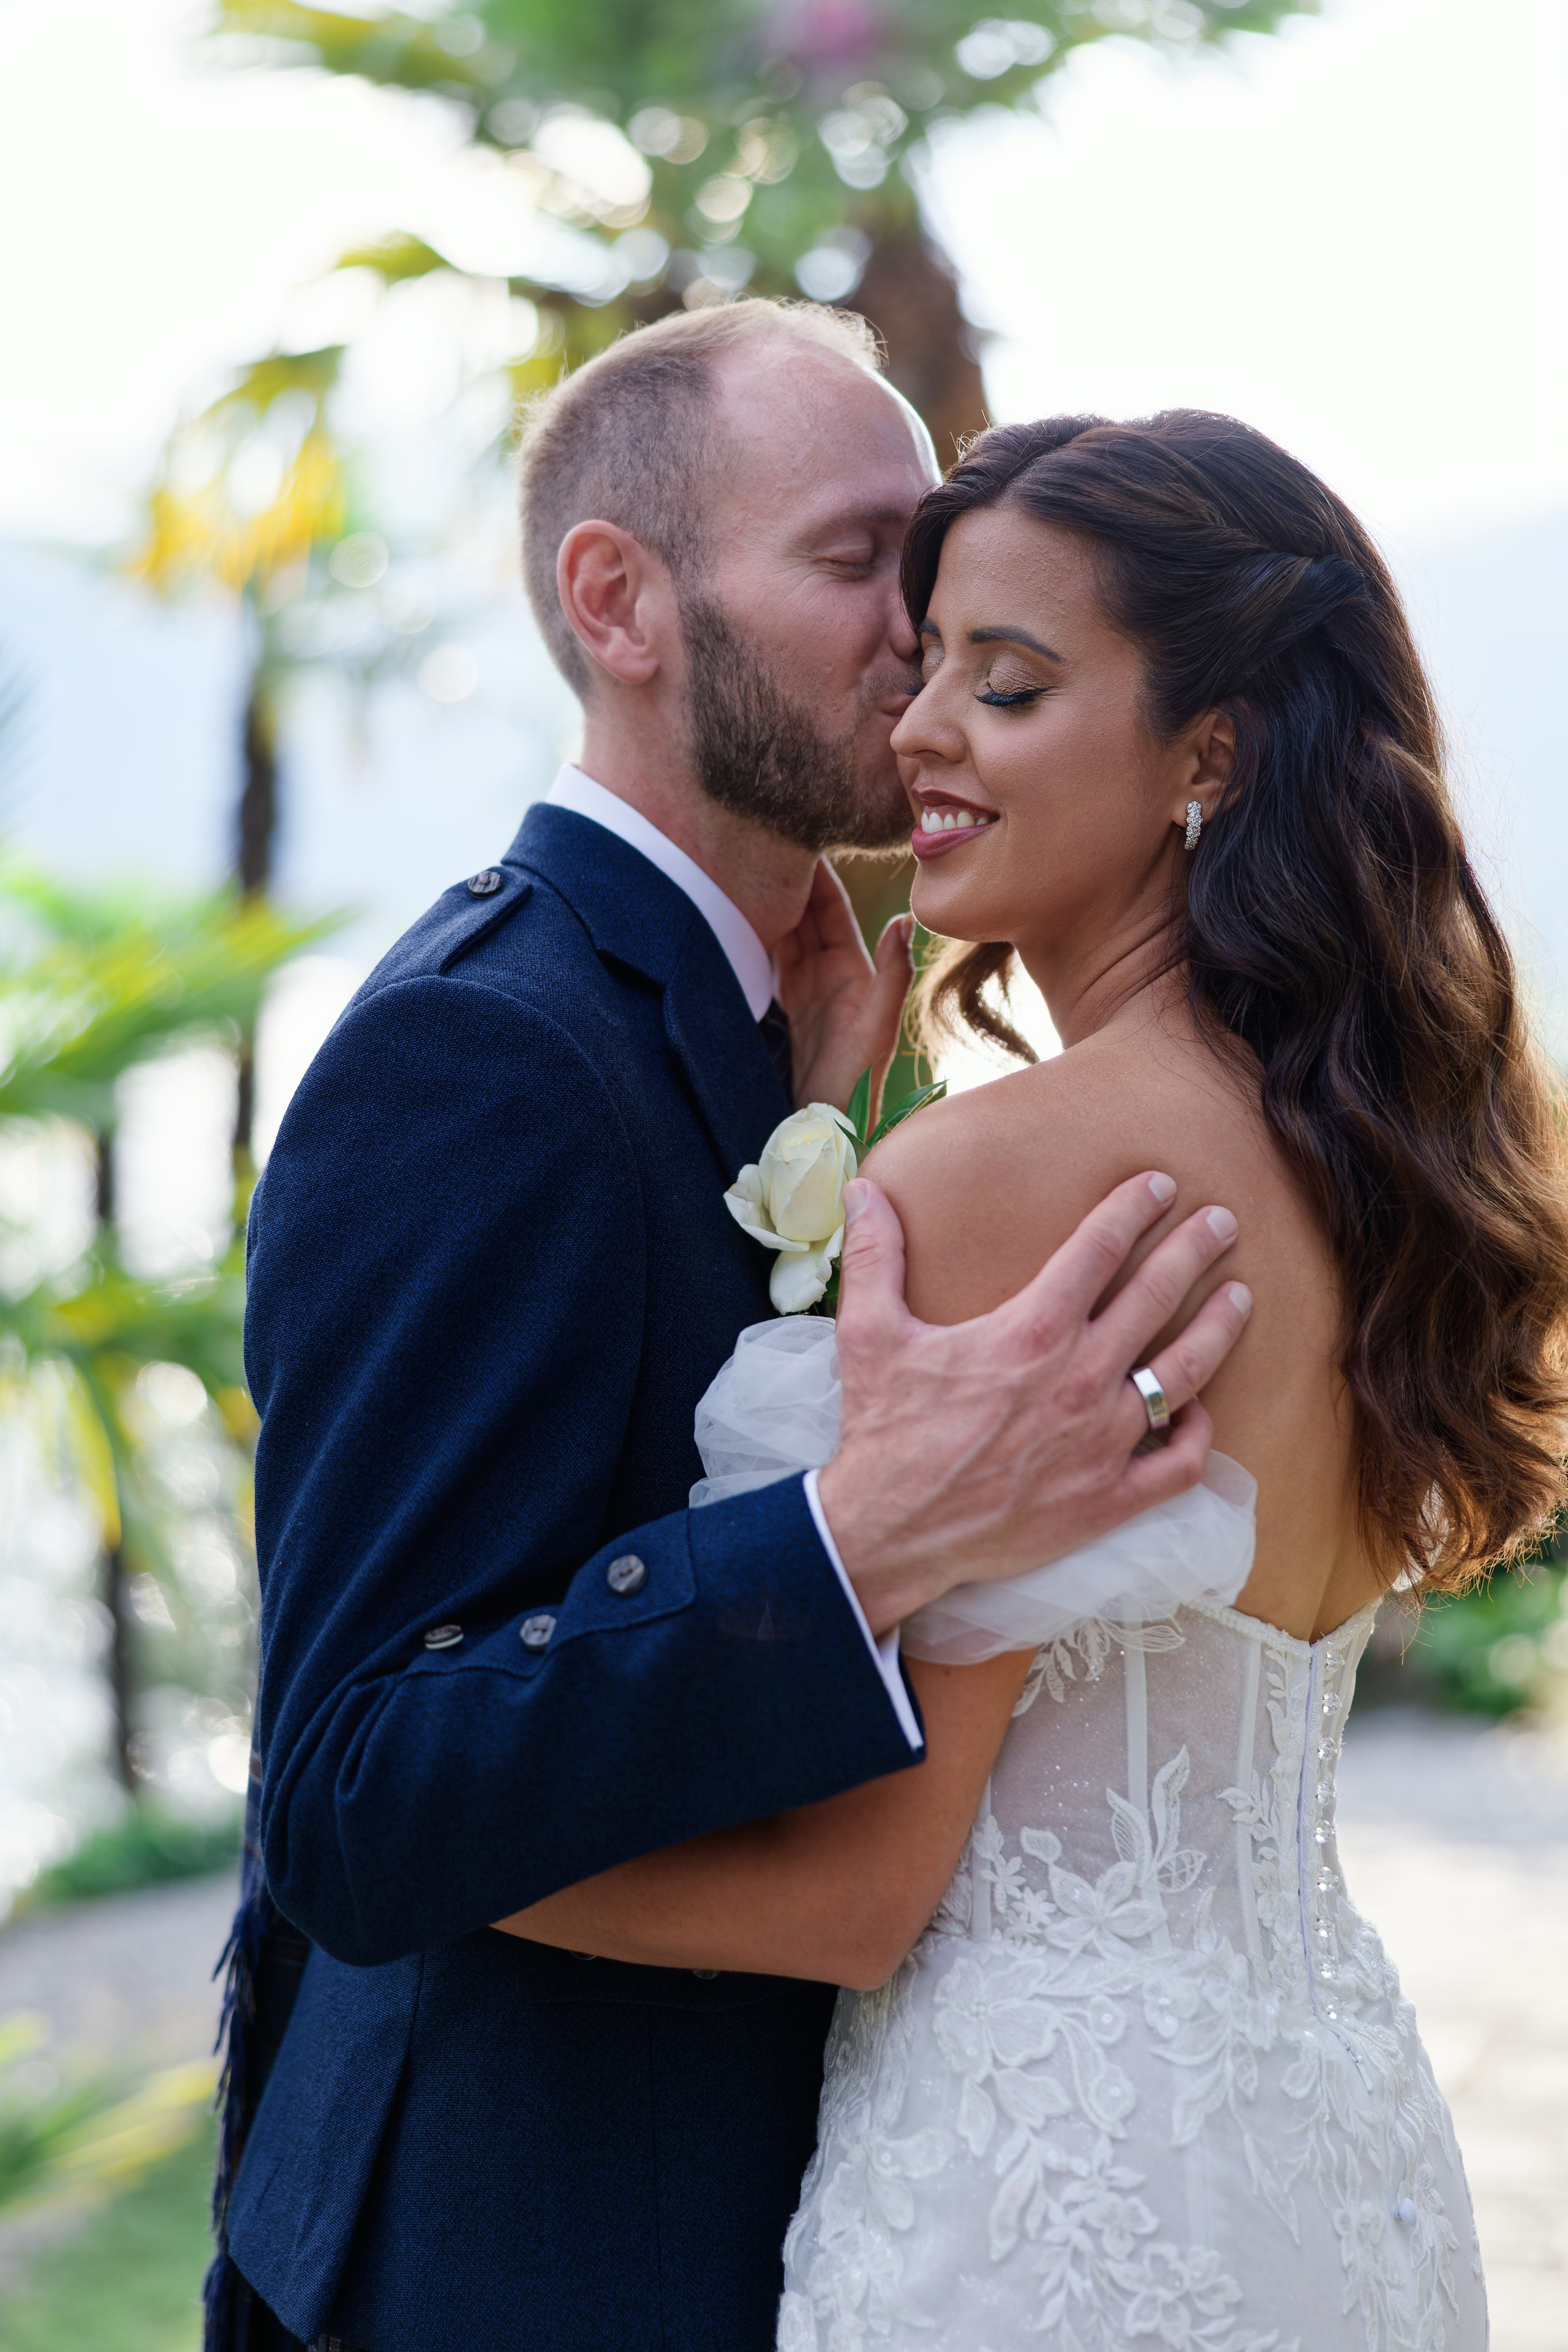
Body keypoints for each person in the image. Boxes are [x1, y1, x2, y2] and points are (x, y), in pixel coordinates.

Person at [211, 311, 1252, 2352]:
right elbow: (350, 1792)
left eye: (944, 583)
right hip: (522, 2261)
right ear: (623, 601)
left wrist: (840, 1129)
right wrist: (866, 1531)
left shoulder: (809, 1029)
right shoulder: (480, 1048)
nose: (927, 636)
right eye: (865, 564)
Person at [497, 409, 1568, 2350]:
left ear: (1211, 756)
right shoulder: (1366, 1162)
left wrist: (428, 1861)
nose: (917, 734)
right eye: (923, 673)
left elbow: (853, 1900)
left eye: (1004, 685)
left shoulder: (1016, 1174)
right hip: (1333, 2146)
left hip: (1042, 2189)